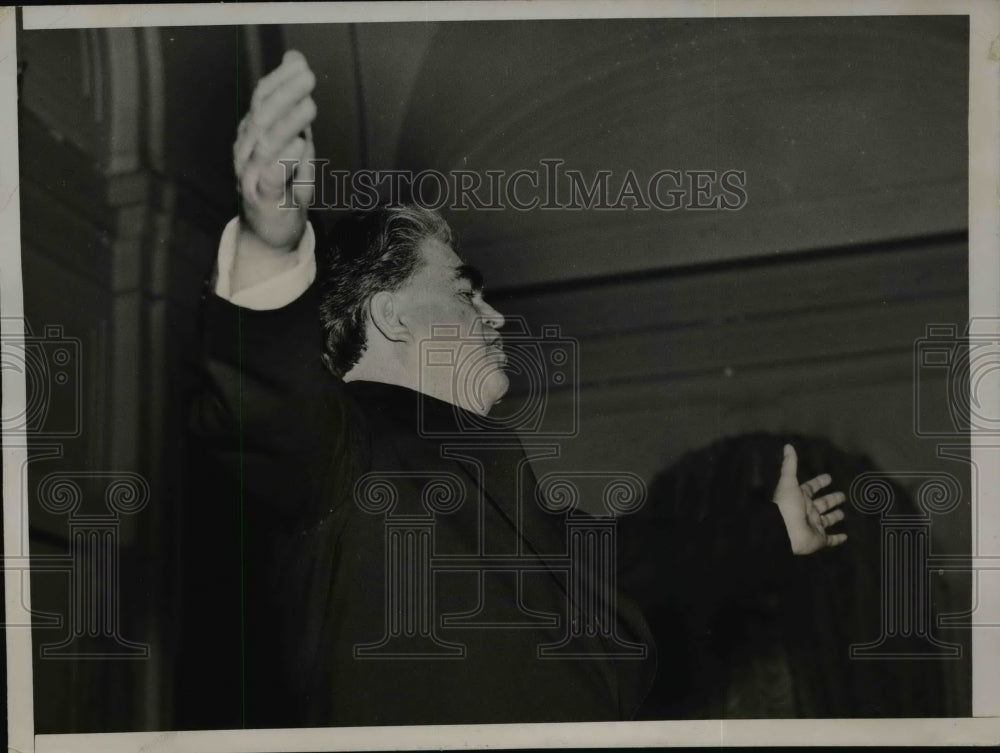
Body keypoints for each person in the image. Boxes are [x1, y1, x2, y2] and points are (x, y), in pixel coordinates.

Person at [189, 50, 847, 728]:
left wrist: (773, 529)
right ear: (388, 311)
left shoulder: (496, 478)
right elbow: (268, 396)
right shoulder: (338, 451)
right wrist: (271, 240)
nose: (496, 316)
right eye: (464, 289)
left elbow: (636, 557)